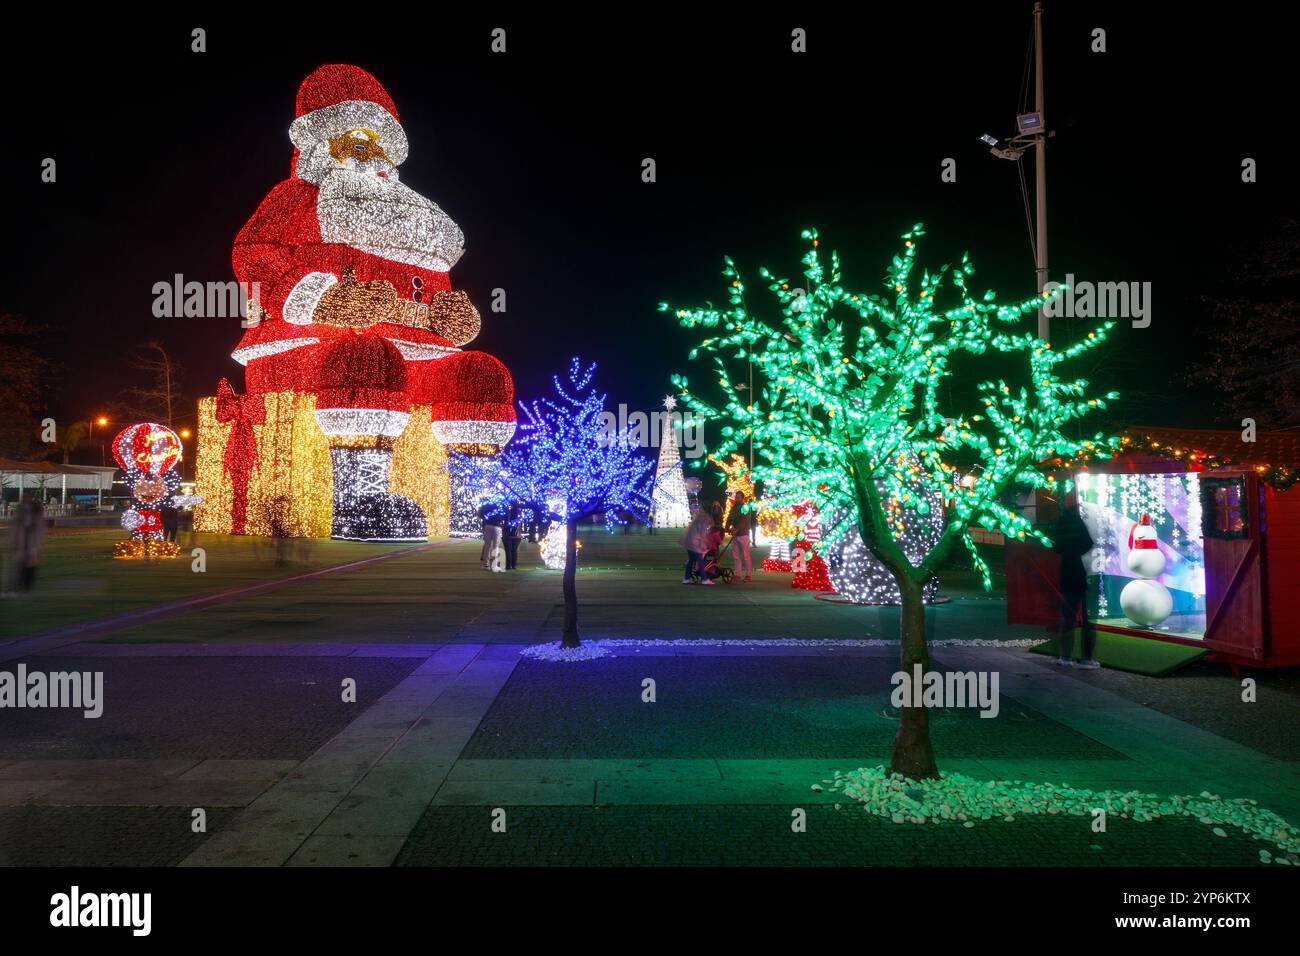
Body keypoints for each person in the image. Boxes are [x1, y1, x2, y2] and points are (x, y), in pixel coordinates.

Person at [1052, 499, 1098, 668]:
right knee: (1087, 618)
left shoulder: (1062, 523)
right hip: (1082, 574)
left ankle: (1066, 656)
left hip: (1067, 573)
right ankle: (1087, 658)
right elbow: (1088, 543)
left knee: (1067, 616)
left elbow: (1055, 546)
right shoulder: (1080, 524)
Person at [10, 500, 48, 592]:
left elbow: (40, 532)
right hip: (25, 542)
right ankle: (22, 584)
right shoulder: (24, 517)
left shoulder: (36, 518)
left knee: (29, 564)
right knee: (23, 563)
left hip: (31, 542)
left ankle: (26, 584)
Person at [679, 509, 712, 584]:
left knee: (691, 560)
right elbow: (703, 536)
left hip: (688, 543)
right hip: (694, 544)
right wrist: (706, 545)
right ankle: (705, 579)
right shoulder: (703, 522)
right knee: (700, 561)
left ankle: (686, 578)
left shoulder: (696, 521)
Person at [727, 490, 753, 582]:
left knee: (746, 556)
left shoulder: (745, 508)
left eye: (738, 498)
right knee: (736, 556)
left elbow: (744, 521)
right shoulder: (734, 508)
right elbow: (729, 518)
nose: (736, 499)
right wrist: (727, 527)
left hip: (743, 535)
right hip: (736, 535)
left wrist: (736, 529)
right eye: (736, 497)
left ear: (742, 498)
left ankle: (748, 575)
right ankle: (737, 574)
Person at [480, 503, 503, 571]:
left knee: (487, 546)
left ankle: (486, 565)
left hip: (488, 526)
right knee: (496, 547)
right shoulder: (499, 510)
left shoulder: (487, 509)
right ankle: (494, 565)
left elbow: (483, 517)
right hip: (497, 527)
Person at [503, 504, 523, 570]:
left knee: (508, 551)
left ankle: (508, 565)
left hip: (507, 535)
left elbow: (506, 524)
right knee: (514, 550)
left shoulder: (507, 513)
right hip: (517, 536)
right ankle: (514, 565)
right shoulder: (519, 515)